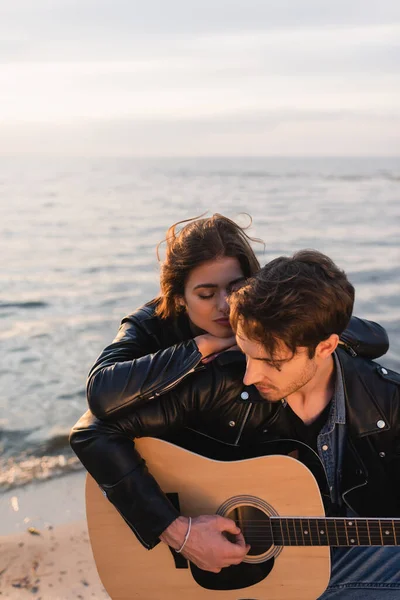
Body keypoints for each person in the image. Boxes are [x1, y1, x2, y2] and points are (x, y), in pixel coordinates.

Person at [71, 249, 396, 598]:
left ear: (327, 345)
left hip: (319, 569)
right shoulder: (223, 382)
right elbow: (94, 432)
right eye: (245, 352)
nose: (251, 374)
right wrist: (179, 532)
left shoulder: (384, 400)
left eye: (271, 361)